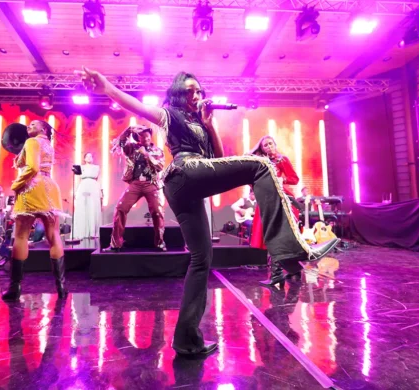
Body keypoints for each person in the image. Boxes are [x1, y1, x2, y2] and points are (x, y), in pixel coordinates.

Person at [77, 67, 339, 357]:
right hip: (183, 172)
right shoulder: (170, 114)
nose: (196, 95)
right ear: (178, 94)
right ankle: (291, 249)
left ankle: (187, 339)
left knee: (202, 260)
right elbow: (137, 106)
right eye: (189, 90)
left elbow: (218, 161)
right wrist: (107, 88)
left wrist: (209, 123)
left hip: (191, 183)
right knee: (261, 165)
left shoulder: (199, 122)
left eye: (199, 91)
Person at [3, 120, 66, 301]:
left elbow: (32, 167)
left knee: (21, 236)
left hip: (32, 187)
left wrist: (17, 184)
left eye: (33, 124)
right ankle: (61, 288)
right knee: (54, 236)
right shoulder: (48, 144)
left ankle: (15, 288)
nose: (28, 126)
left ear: (43, 128)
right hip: (50, 187)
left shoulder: (31, 142)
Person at [249, 135, 303, 285]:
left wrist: (282, 179)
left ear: (275, 144)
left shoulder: (282, 159)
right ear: (262, 149)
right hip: (266, 200)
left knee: (278, 236)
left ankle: (277, 274)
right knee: (268, 236)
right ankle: (293, 269)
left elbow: (295, 179)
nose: (269, 147)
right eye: (265, 145)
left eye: (270, 143)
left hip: (281, 199)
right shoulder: (262, 162)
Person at [107, 125, 166, 251]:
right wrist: (127, 130)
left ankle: (160, 242)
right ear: (138, 137)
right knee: (120, 208)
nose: (145, 138)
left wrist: (146, 155)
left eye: (147, 135)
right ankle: (116, 243)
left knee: (157, 211)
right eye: (142, 135)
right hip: (136, 183)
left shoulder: (157, 150)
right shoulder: (132, 148)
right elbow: (120, 143)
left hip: (151, 183)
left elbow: (160, 167)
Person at [73, 152, 102, 239]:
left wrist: (100, 191)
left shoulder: (96, 167)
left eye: (91, 156)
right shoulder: (80, 168)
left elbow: (99, 180)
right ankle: (82, 232)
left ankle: (93, 232)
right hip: (83, 187)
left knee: (93, 207)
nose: (89, 158)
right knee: (83, 207)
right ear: (84, 158)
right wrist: (76, 191)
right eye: (87, 156)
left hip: (93, 187)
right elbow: (78, 180)